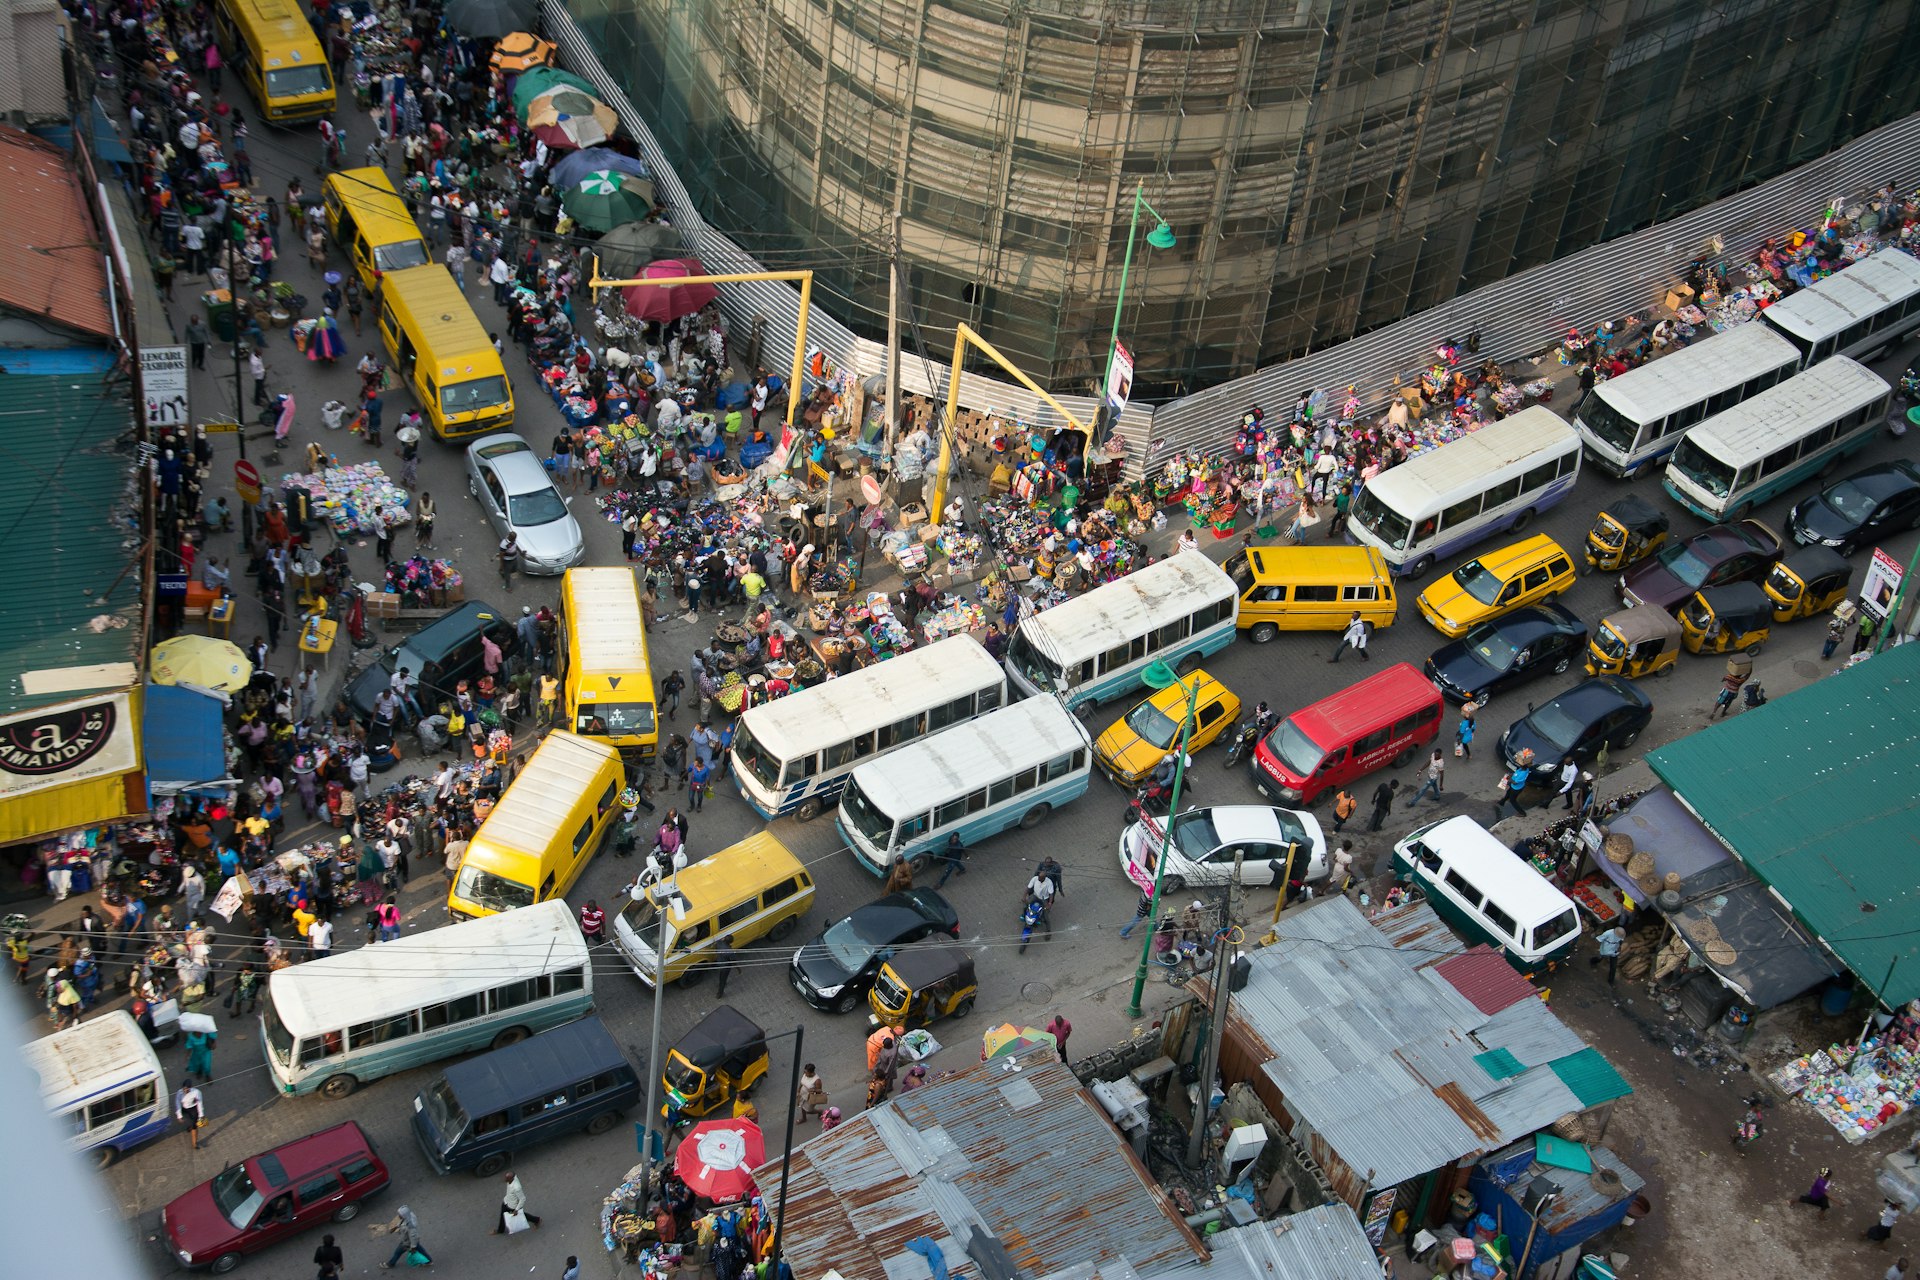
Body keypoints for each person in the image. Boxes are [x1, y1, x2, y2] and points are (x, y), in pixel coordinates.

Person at [174, 1078, 205, 1150]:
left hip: (193, 1109)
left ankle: (194, 1143)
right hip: (184, 1109)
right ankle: (190, 1127)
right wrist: (179, 1115)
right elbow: (177, 1103)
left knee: (195, 1125)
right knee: (190, 1122)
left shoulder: (196, 1092)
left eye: (187, 1089)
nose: (185, 1090)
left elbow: (199, 1103)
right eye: (184, 1089)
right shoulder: (179, 1092)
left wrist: (201, 1115)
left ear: (190, 1087)